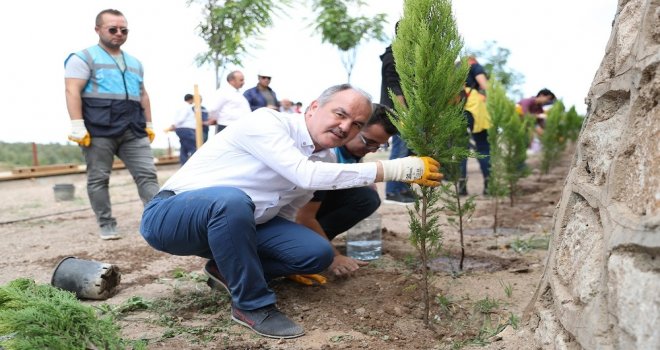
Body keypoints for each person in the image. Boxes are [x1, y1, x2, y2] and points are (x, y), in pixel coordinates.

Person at [139, 84, 441, 339]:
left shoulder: (320, 155)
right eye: (340, 114)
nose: (346, 127)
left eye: (357, 124)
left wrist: (292, 256)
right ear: (312, 108)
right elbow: (305, 175)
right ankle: (252, 305)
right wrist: (394, 168)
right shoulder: (267, 123)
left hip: (237, 226)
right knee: (232, 200)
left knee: (316, 254)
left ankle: (224, 269)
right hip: (171, 216)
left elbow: (289, 213)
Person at [65, 8, 160, 240]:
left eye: (124, 30)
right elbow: (72, 90)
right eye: (113, 29)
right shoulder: (82, 58)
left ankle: (159, 219)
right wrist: (77, 124)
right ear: (98, 29)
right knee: (99, 177)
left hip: (133, 128)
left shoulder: (135, 63)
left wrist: (149, 123)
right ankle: (106, 223)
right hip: (98, 130)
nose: (119, 33)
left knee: (147, 174)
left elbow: (143, 94)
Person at [295, 103, 398, 277]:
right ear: (353, 128)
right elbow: (303, 217)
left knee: (367, 194)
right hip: (290, 217)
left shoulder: (351, 153)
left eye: (378, 147)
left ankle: (315, 242)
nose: (371, 151)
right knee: (365, 197)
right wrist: (334, 256)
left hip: (308, 211)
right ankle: (306, 246)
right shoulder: (326, 160)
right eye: (368, 142)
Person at [380, 21, 416, 204]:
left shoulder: (406, 56)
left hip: (408, 111)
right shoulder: (392, 55)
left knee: (408, 151)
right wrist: (404, 114)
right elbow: (395, 88)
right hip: (398, 111)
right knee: (400, 150)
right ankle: (392, 191)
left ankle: (403, 188)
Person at [459, 55, 491, 195]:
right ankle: (488, 185)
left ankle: (461, 188)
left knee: (460, 150)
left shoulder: (453, 69)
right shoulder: (474, 65)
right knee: (483, 147)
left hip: (456, 106)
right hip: (474, 106)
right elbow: (484, 85)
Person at [168, 94, 197, 165]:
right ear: (191, 99)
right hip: (187, 129)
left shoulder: (180, 106)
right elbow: (182, 118)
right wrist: (174, 125)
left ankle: (183, 165)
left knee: (184, 148)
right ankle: (194, 165)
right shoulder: (187, 107)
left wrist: (174, 125)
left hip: (181, 129)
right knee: (193, 148)